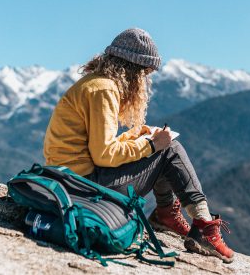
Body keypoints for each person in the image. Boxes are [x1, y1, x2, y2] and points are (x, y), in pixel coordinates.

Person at [43, 28, 234, 263]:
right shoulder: (104, 90)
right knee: (170, 150)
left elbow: (93, 146)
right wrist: (151, 146)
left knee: (163, 147)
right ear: (133, 70)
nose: (144, 80)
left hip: (69, 180)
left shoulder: (94, 84)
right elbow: (104, 155)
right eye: (144, 73)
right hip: (85, 186)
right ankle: (204, 227)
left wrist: (135, 137)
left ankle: (166, 215)